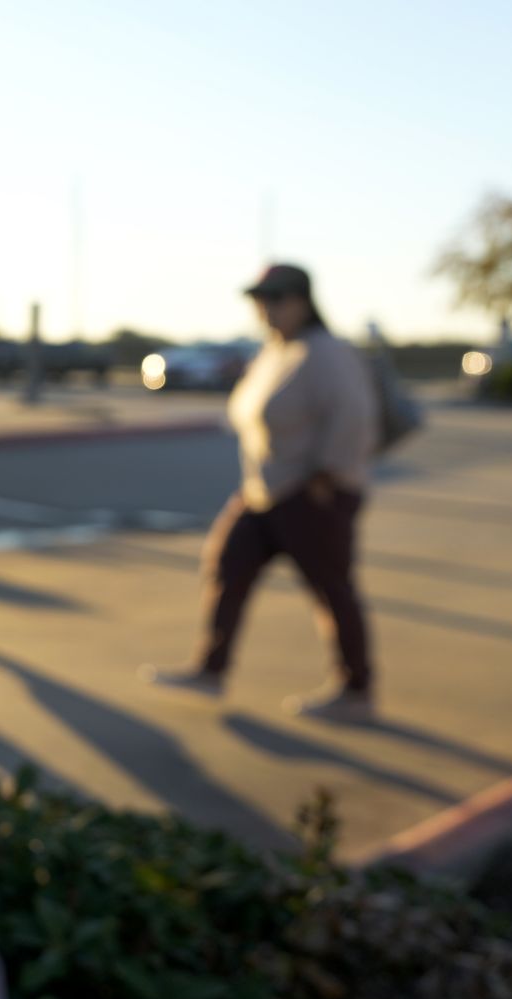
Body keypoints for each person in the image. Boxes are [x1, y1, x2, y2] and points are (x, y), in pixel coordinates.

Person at [142, 264, 379, 721]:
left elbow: (354, 417)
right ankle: (211, 670)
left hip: (311, 494)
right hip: (264, 492)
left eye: (277, 299)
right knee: (228, 569)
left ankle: (357, 689)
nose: (266, 308)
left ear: (303, 302)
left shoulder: (325, 353)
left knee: (331, 589)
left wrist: (324, 481)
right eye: (260, 299)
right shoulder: (275, 353)